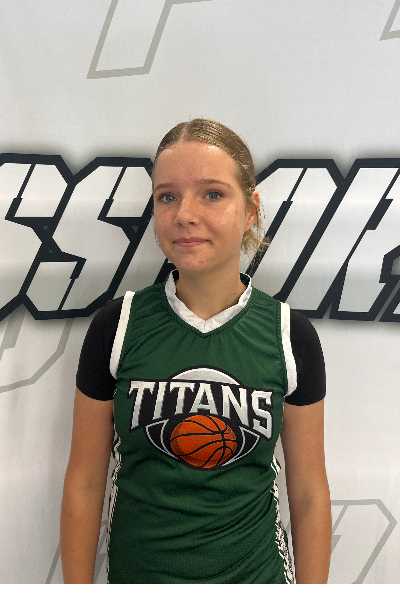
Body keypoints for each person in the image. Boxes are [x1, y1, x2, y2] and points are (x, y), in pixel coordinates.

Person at [60, 118, 331, 584]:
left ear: (250, 210)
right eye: (167, 196)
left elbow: (308, 493)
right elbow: (84, 483)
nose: (185, 214)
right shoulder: (118, 325)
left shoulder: (290, 335)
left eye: (212, 194)